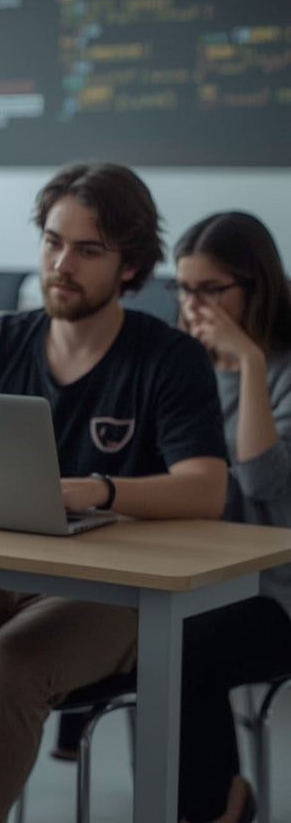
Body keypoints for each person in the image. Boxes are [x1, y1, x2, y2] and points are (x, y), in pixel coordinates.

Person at [0, 162, 230, 823]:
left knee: (12, 663)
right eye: (53, 242)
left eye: (88, 250)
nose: (62, 263)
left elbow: (207, 489)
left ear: (130, 265)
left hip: (112, 593)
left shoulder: (168, 358)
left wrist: (101, 490)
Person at [170, 211, 291, 823]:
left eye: (210, 290)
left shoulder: (282, 371)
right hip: (198, 576)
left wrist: (249, 363)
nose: (194, 306)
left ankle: (219, 806)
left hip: (277, 594)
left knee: (183, 645)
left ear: (255, 285)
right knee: (134, 624)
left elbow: (265, 481)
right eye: (184, 289)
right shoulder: (180, 367)